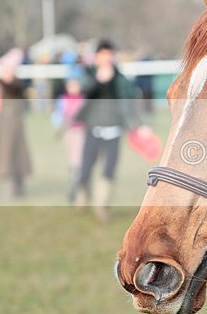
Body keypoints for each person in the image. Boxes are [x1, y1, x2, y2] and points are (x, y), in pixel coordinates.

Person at [74, 39, 143, 221]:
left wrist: (137, 124)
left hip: (113, 129)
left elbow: (130, 101)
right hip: (93, 128)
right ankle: (82, 197)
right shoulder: (88, 73)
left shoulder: (120, 77)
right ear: (97, 56)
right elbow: (84, 91)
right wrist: (98, 81)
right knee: (86, 167)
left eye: (109, 54)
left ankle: (101, 207)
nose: (107, 58)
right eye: (103, 54)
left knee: (109, 170)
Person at [0, 48, 32, 198]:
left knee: (15, 155)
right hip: (5, 125)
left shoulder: (15, 85)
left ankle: (15, 187)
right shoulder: (6, 86)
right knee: (6, 155)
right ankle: (11, 186)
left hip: (15, 126)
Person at [52, 65, 86, 202]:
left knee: (77, 161)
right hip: (69, 132)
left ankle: (74, 189)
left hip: (80, 132)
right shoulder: (63, 100)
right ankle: (75, 184)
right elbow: (57, 117)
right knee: (73, 161)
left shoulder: (83, 99)